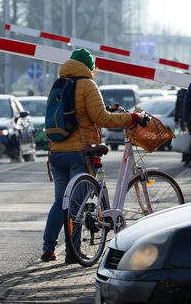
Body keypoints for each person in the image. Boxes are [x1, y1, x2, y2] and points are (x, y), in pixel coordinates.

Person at [41, 48, 144, 264]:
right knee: (76, 206)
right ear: (89, 67)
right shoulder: (87, 85)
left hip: (57, 151)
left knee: (60, 201)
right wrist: (131, 117)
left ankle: (48, 249)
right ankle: (73, 252)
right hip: (80, 152)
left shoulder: (58, 85)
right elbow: (102, 118)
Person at [174, 87, 189, 164]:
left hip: (184, 119)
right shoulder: (181, 92)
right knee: (185, 137)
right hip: (184, 120)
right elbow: (177, 106)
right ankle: (185, 156)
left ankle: (186, 157)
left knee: (186, 137)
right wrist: (177, 120)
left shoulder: (181, 92)